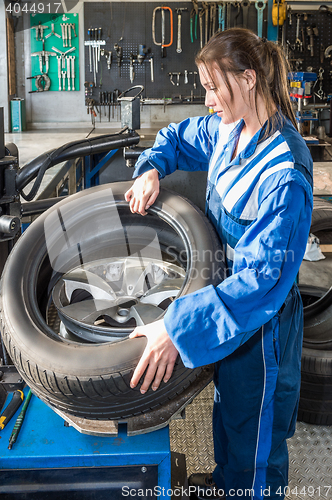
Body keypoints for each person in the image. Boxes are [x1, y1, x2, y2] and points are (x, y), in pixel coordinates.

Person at [124, 28, 313, 500]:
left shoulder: (284, 172)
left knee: (257, 441)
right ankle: (227, 484)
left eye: (212, 87)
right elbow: (178, 136)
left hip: (261, 325)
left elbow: (264, 281)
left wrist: (176, 326)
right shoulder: (229, 131)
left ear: (248, 79)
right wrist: (151, 165)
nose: (206, 99)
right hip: (224, 309)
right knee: (229, 417)